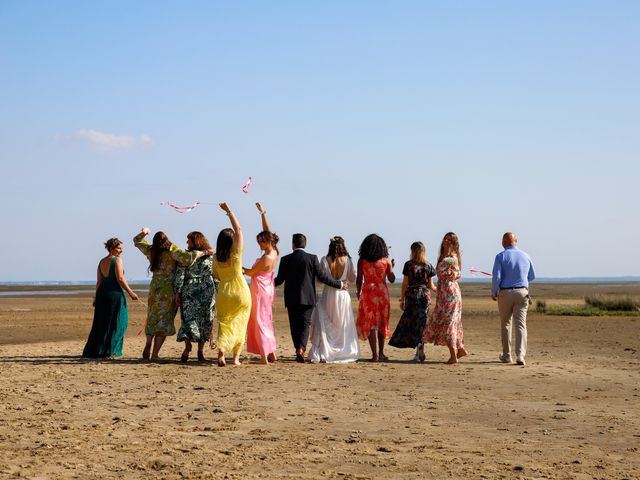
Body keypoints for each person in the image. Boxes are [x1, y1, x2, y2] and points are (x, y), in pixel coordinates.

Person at [133, 227, 210, 361]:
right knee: (164, 322)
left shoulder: (151, 250)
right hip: (168, 290)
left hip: (155, 287)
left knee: (152, 318)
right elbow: (187, 259)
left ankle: (148, 342)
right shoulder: (172, 250)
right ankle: (155, 354)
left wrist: (144, 232)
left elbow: (137, 241)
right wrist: (204, 252)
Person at [274, 233, 346, 363]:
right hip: (308, 298)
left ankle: (298, 348)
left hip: (291, 299)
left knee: (294, 325)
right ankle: (301, 349)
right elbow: (323, 277)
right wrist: (339, 284)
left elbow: (279, 280)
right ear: (304, 244)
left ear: (293, 244)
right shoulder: (312, 258)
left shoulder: (285, 259)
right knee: (305, 325)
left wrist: (263, 282)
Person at [82, 238, 138, 358]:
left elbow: (99, 282)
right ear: (111, 248)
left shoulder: (101, 261)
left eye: (122, 248)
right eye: (119, 248)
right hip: (114, 294)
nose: (121, 251)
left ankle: (99, 350)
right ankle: (111, 350)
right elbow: (120, 279)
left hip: (103, 293)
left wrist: (96, 297)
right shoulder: (117, 260)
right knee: (120, 321)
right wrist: (131, 292)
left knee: (103, 322)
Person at [307, 236, 360, 363]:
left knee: (328, 322)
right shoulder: (348, 260)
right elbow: (352, 278)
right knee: (342, 323)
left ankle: (328, 348)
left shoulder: (325, 260)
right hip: (342, 295)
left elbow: (320, 279)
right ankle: (343, 350)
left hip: (329, 294)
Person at [212, 203, 251, 366]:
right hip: (240, 290)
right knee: (240, 323)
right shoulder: (235, 254)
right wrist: (229, 211)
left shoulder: (215, 257)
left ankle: (221, 352)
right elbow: (239, 230)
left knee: (225, 324)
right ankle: (235, 358)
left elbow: (215, 276)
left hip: (224, 291)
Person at [422, 232, 468, 365]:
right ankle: (460, 349)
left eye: (449, 240)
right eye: (445, 239)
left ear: (454, 243)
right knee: (447, 320)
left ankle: (454, 356)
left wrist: (451, 273)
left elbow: (458, 273)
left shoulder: (453, 256)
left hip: (451, 292)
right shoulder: (442, 256)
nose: (446, 241)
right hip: (443, 292)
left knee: (450, 322)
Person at [492, 232, 536, 366]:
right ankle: (520, 355)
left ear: (503, 242)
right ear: (515, 241)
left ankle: (506, 355)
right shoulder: (526, 255)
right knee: (521, 324)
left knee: (506, 324)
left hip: (505, 293)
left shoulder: (500, 256)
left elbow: (497, 277)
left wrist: (494, 291)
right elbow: (532, 276)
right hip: (522, 292)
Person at [243, 202, 279, 365]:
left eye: (260, 242)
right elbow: (268, 231)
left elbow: (251, 273)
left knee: (259, 320)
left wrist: (238, 267)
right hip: (268, 288)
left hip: (260, 289)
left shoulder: (266, 257)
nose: (259, 245)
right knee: (266, 319)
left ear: (266, 242)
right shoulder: (275, 251)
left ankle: (264, 356)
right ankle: (271, 353)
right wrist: (263, 213)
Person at [389, 242, 436, 362]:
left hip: (412, 295)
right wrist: (441, 291)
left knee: (412, 323)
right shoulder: (428, 265)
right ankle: (420, 349)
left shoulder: (408, 265)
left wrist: (402, 299)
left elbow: (405, 284)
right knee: (421, 324)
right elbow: (431, 285)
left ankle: (417, 351)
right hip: (424, 296)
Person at [174, 231, 217, 363]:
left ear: (195, 241)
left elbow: (180, 275)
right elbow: (216, 275)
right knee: (205, 320)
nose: (187, 243)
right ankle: (200, 352)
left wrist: (178, 292)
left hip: (190, 290)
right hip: (206, 289)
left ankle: (188, 348)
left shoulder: (187, 257)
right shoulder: (211, 257)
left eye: (189, 240)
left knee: (189, 320)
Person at [356, 234, 395, 362]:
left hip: (368, 292)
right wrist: (392, 267)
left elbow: (359, 279)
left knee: (371, 324)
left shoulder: (362, 260)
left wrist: (358, 291)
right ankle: (382, 353)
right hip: (382, 293)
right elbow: (392, 279)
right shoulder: (386, 261)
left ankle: (374, 355)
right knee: (381, 322)